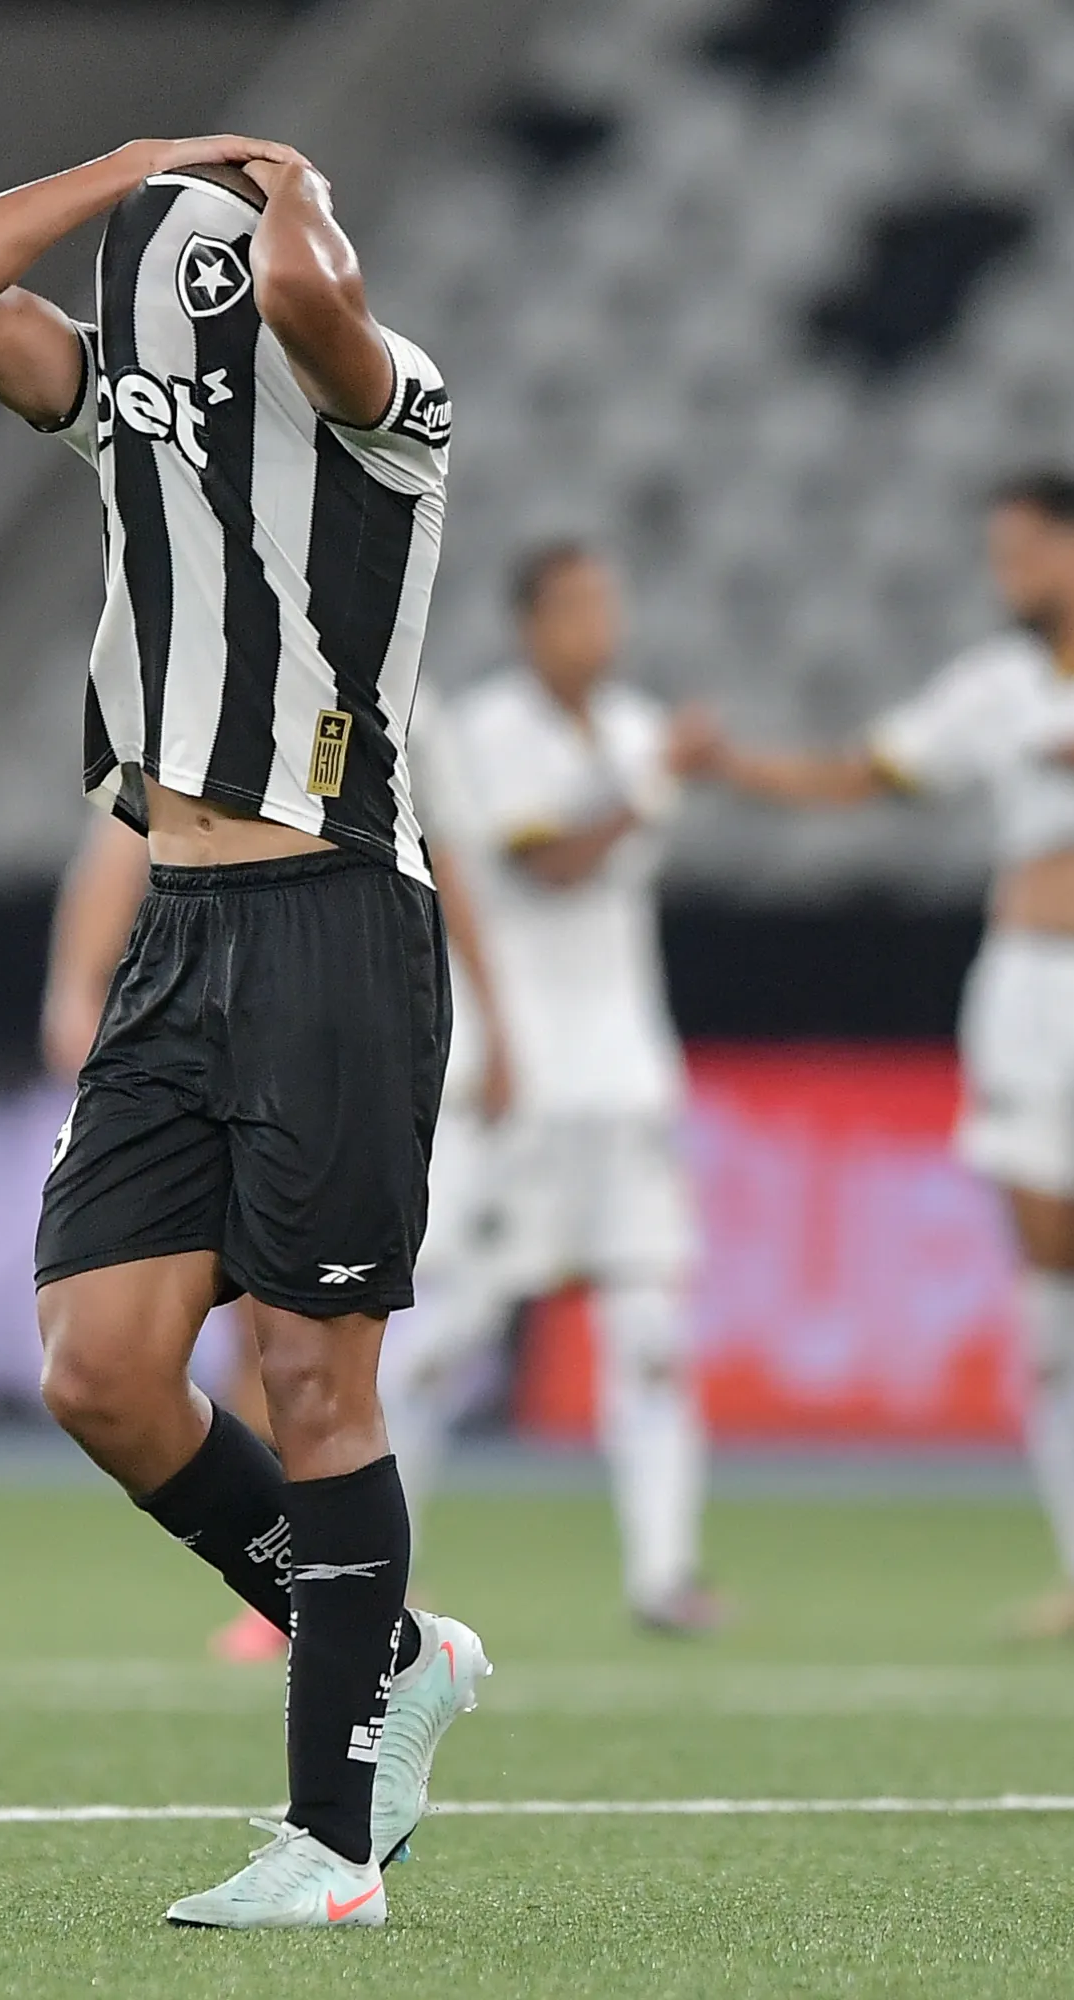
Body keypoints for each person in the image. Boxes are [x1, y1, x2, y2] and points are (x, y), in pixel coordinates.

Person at [0, 133, 490, 1928]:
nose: (194, 289)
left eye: (200, 264)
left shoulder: (398, 423)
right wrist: (137, 164)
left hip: (333, 920)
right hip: (182, 922)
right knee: (102, 1369)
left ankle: (330, 1843)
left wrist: (284, 182)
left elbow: (314, 292)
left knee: (314, 1380)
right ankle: (395, 1645)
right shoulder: (126, 419)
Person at [678, 470, 1074, 1641]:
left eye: (1022, 553)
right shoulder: (996, 684)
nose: (1005, 575)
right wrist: (735, 765)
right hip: (1031, 993)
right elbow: (870, 771)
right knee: (1055, 1301)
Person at [40, 686, 518, 1664]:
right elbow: (124, 830)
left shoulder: (387, 698)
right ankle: (349, 1600)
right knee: (187, 1356)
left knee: (311, 1349)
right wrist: (76, 982)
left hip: (343, 1018)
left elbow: (444, 858)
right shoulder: (195, 656)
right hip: (201, 1007)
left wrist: (497, 1013)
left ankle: (362, 1597)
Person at [436, 541, 723, 1633]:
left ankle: (665, 1573)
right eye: (576, 607)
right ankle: (371, 1568)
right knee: (447, 1330)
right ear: (530, 623)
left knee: (650, 1326)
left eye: (609, 603)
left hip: (626, 1074)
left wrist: (658, 772)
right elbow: (545, 863)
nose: (600, 626)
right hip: (517, 1079)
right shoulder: (487, 732)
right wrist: (654, 787)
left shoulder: (639, 727)